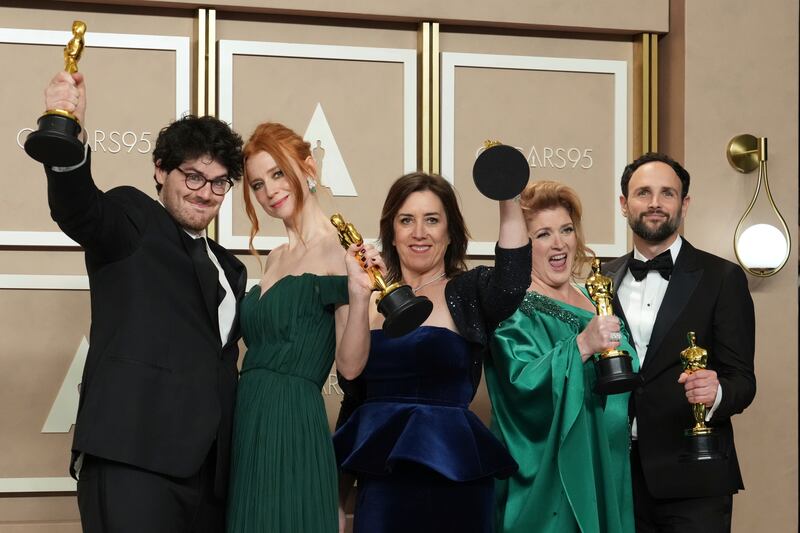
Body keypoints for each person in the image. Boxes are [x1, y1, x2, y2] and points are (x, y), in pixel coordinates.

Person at [41, 71, 246, 532]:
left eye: (219, 183)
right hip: (132, 456)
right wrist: (65, 127)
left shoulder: (232, 268)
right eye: (193, 175)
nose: (204, 192)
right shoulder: (133, 218)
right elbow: (79, 207)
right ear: (160, 169)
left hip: (212, 477)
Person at [334, 172, 531, 533]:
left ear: (450, 232)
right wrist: (361, 295)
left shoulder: (467, 291)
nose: (419, 232)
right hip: (384, 480)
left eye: (432, 220)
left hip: (455, 477)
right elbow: (349, 377)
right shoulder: (361, 295)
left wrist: (508, 193)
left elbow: (513, 280)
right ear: (391, 231)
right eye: (406, 220)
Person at [226, 122, 380, 532]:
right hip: (248, 418)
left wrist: (361, 295)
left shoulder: (340, 250)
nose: (269, 191)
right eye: (257, 184)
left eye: (278, 173)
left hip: (292, 420)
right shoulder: (275, 257)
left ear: (308, 167)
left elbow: (350, 367)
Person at [603, 153, 756, 532]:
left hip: (694, 476)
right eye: (643, 193)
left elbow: (743, 381)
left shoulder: (723, 277)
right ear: (624, 204)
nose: (655, 203)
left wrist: (716, 392)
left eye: (667, 193)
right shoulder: (600, 280)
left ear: (683, 204)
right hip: (615, 474)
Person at [486, 180, 636, 533]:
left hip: (608, 464)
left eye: (566, 230)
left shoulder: (595, 295)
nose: (559, 243)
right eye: (543, 234)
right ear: (523, 246)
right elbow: (518, 386)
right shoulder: (514, 308)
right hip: (553, 478)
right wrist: (581, 346)